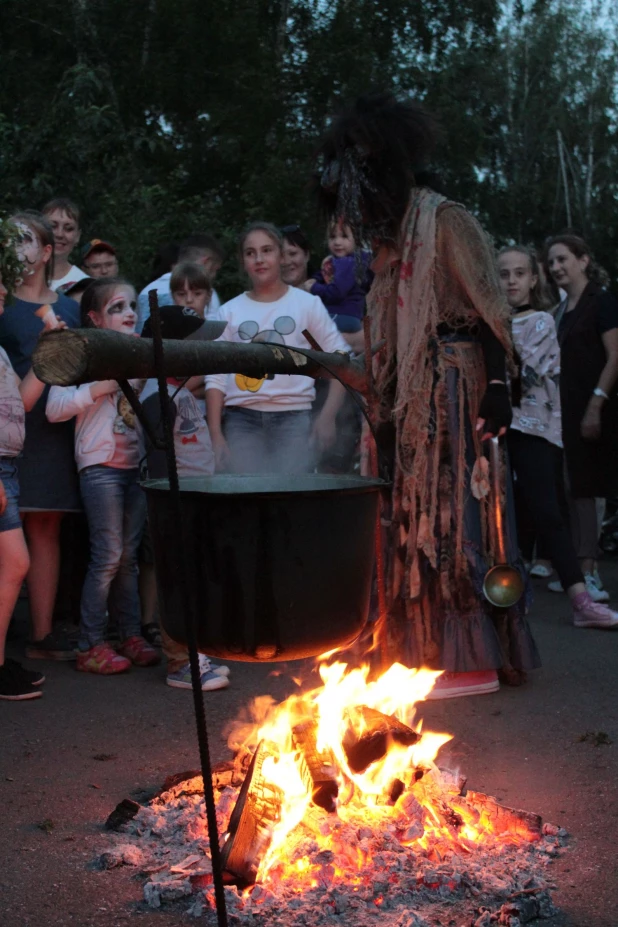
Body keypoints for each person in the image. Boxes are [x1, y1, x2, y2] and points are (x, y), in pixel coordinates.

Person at [313, 91, 540, 698]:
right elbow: (384, 331)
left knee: (454, 514)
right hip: (401, 398)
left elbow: (490, 310)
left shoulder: (446, 220)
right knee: (404, 521)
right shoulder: (385, 245)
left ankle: (470, 659)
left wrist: (496, 388)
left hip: (454, 387)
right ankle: (414, 650)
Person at [498, 246, 618, 629]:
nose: (512, 281)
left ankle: (581, 601)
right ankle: (502, 602)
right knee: (500, 517)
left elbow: (522, 373)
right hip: (498, 429)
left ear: (534, 279)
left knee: (549, 514)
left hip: (535, 429)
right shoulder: (491, 321)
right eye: (504, 274)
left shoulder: (541, 323)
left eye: (520, 273)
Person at [46, 278, 159, 674]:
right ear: (94, 319)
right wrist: (98, 388)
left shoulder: (138, 357)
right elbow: (54, 408)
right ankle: (89, 644)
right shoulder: (81, 357)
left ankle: (129, 635)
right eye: (117, 308)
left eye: (131, 306)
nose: (129, 313)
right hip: (100, 469)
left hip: (134, 467)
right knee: (108, 556)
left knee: (127, 557)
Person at [0, 210, 81, 660]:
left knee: (45, 526)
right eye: (10, 240)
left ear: (48, 251)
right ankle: (6, 637)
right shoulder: (1, 302)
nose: (18, 249)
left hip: (52, 429)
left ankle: (42, 634)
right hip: (8, 428)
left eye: (27, 240)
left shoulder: (69, 307)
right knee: (7, 530)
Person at [205, 221, 349, 474]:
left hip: (293, 418)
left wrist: (327, 416)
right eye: (251, 253)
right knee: (246, 495)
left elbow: (340, 360)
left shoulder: (307, 305)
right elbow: (215, 377)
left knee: (292, 495)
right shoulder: (228, 311)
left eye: (267, 250)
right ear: (243, 261)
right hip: (241, 419)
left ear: (281, 256)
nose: (259, 259)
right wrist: (216, 434)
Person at [137, 306, 230, 691]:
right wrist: (169, 505)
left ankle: (196, 651)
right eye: (195, 347)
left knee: (192, 578)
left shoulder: (177, 390)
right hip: (175, 503)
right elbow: (159, 461)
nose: (202, 355)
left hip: (193, 499)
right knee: (177, 580)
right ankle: (180, 662)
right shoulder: (156, 396)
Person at [544, 234, 618, 600]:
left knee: (587, 487)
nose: (556, 267)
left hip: (593, 408)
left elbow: (616, 356)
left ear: (584, 260)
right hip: (564, 410)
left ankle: (590, 574)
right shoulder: (560, 312)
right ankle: (575, 567)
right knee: (570, 488)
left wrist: (596, 404)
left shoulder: (601, 302)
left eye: (563, 259)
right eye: (552, 262)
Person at [0, 218, 55, 699]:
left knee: (13, 564)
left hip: (7, 466)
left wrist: (50, 348)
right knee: (13, 563)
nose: (3, 294)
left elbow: (23, 399)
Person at [137, 233, 225, 332]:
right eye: (216, 270)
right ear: (206, 262)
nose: (189, 299)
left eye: (197, 294)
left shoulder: (146, 291)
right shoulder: (206, 292)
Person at [303, 219, 372, 334]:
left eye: (344, 237)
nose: (337, 242)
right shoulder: (345, 262)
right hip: (349, 316)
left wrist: (314, 287)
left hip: (340, 315)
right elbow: (325, 276)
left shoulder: (347, 263)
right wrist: (317, 278)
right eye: (332, 237)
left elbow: (336, 292)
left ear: (356, 239)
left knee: (302, 328)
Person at [42, 198, 89, 293]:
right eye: (53, 226)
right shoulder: (21, 276)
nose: (59, 234)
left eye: (68, 228)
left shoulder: (84, 285)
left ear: (77, 236)